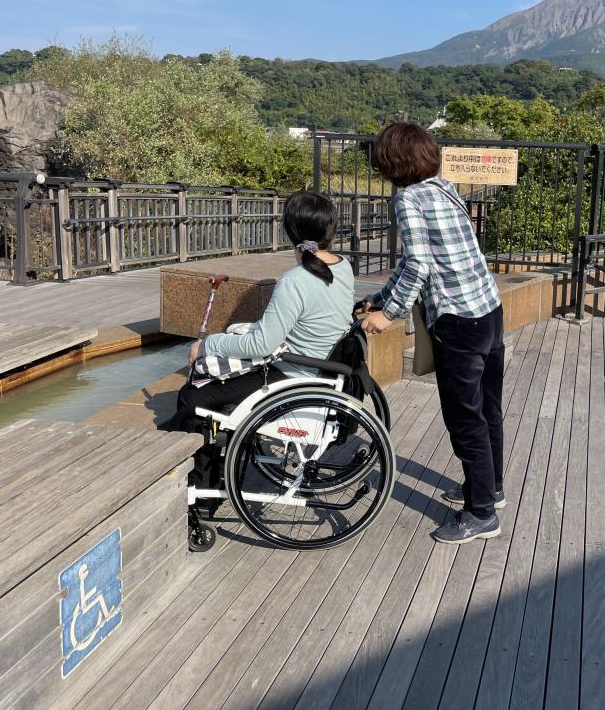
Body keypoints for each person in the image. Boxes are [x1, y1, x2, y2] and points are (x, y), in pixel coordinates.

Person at [362, 122, 505, 545]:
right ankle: (490, 488)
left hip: (458, 322)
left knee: (465, 419)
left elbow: (419, 265)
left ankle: (481, 514)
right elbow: (419, 262)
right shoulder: (444, 186)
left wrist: (386, 315)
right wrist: (382, 297)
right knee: (489, 408)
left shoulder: (407, 199)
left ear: (391, 162)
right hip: (489, 309)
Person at [168, 191, 354, 488]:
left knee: (194, 396)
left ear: (290, 231)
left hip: (292, 374)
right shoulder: (343, 266)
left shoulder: (296, 280)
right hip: (319, 369)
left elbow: (261, 345)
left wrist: (206, 344)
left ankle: (200, 489)